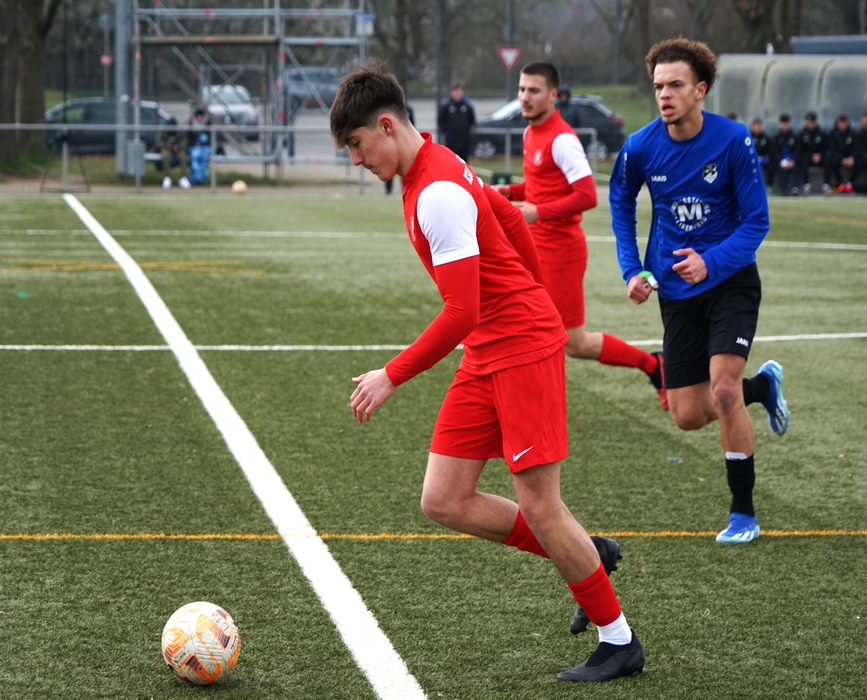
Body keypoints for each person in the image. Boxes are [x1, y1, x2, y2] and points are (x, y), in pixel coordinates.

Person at [331, 63, 644, 683]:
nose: (357, 160)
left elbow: (462, 310)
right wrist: (533, 291)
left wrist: (391, 374)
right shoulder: (435, 165)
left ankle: (619, 640)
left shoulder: (437, 191)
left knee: (541, 505)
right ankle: (588, 554)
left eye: (358, 145)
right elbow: (508, 217)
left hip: (518, 348)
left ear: (386, 126)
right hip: (489, 350)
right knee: (444, 499)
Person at [610, 37, 790, 545]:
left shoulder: (733, 141)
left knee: (724, 390)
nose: (664, 95)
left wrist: (709, 262)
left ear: (700, 89)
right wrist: (632, 270)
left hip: (731, 283)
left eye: (675, 85)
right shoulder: (640, 146)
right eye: (658, 86)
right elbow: (621, 203)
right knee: (687, 415)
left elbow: (756, 221)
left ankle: (743, 513)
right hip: (675, 291)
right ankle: (764, 388)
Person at [493, 61, 666, 414]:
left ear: (552, 95)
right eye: (522, 89)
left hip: (561, 251)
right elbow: (540, 187)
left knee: (573, 343)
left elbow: (587, 195)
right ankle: (524, 401)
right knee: (522, 324)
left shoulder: (562, 140)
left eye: (534, 90)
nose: (525, 97)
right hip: (532, 246)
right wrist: (511, 191)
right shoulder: (530, 133)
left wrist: (538, 211)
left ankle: (654, 366)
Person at [437, 83, 475, 162]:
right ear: (452, 93)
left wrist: (469, 134)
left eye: (459, 91)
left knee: (464, 162)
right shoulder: (446, 107)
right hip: (451, 142)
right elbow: (441, 121)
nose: (457, 94)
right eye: (455, 91)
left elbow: (472, 121)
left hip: (464, 142)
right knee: (451, 162)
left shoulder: (468, 107)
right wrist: (445, 133)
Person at [385, 96, 414, 194]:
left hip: (404, 145)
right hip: (390, 144)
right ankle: (388, 190)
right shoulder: (388, 110)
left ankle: (405, 189)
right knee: (389, 167)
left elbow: (412, 126)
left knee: (405, 167)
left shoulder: (408, 110)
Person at [826, 114, 860, 193]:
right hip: (839, 157)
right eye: (840, 123)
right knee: (831, 162)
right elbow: (833, 149)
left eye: (844, 123)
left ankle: (850, 183)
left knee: (860, 163)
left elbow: (857, 148)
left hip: (850, 157)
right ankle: (840, 183)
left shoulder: (853, 134)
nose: (842, 125)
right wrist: (842, 159)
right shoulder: (833, 134)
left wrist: (852, 158)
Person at [797, 111, 827, 194]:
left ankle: (826, 185)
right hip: (808, 157)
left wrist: (819, 155)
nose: (810, 123)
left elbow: (825, 147)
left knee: (828, 161)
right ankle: (806, 185)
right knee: (803, 161)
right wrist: (811, 155)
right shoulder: (802, 134)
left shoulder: (821, 133)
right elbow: (800, 149)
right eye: (808, 121)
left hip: (820, 157)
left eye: (812, 121)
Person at [155, 121, 190, 190]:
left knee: (183, 156)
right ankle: (167, 178)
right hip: (166, 148)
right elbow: (158, 141)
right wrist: (166, 144)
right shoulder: (163, 131)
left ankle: (183, 178)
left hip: (178, 148)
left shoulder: (179, 131)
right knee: (166, 156)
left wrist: (178, 146)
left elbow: (184, 141)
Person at [186, 107, 213, 187]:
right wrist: (195, 144)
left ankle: (202, 178)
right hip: (194, 147)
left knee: (202, 158)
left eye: (201, 116)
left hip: (205, 147)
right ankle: (195, 179)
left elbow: (211, 138)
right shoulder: (191, 124)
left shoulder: (208, 124)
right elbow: (189, 138)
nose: (199, 118)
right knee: (194, 157)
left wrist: (202, 144)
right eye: (198, 116)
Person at [772, 113, 798, 195]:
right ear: (780, 124)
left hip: (792, 160)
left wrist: (793, 160)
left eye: (786, 124)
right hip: (781, 160)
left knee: (797, 165)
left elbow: (798, 150)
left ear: (789, 123)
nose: (785, 126)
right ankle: (783, 189)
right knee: (777, 167)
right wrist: (781, 161)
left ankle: (795, 188)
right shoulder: (776, 137)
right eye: (783, 124)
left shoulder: (794, 136)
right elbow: (774, 152)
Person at [749, 118, 774, 189]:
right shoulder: (748, 138)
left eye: (759, 125)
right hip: (751, 159)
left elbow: (770, 151)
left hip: (764, 159)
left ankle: (769, 186)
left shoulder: (766, 138)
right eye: (755, 125)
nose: (757, 127)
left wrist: (764, 157)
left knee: (772, 166)